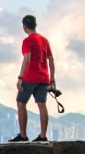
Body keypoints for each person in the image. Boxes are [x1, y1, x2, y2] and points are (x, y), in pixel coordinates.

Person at [9, 14, 55, 142]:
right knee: (42, 105)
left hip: (30, 78)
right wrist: (52, 78)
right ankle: (43, 135)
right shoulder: (44, 40)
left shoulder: (27, 41)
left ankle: (23, 136)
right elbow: (51, 59)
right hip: (44, 78)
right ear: (35, 25)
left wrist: (20, 78)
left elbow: (27, 59)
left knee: (21, 103)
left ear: (24, 27)